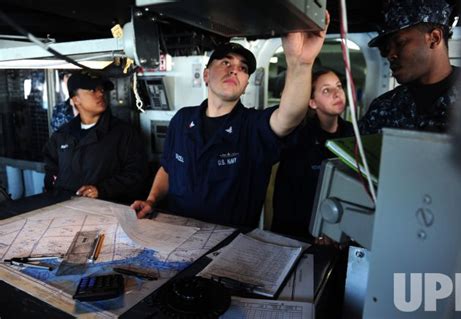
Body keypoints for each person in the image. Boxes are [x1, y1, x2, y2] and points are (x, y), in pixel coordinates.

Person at [132, 17, 330, 228]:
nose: (235, 69)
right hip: (177, 230)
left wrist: (300, 63)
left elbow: (290, 116)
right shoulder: (182, 119)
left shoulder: (253, 126)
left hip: (230, 243)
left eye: (243, 68)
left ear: (245, 86)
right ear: (206, 75)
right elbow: (168, 168)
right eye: (226, 62)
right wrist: (151, 200)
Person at [272, 68, 354, 239]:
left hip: (342, 227)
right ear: (312, 102)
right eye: (326, 90)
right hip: (303, 232)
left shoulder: (353, 134)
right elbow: (289, 200)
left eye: (338, 86)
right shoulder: (299, 139)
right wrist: (318, 232)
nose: (337, 93)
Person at [43, 71, 147, 203]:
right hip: (65, 210)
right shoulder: (61, 136)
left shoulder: (123, 133)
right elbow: (51, 172)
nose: (100, 94)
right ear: (76, 99)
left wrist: (102, 190)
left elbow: (136, 174)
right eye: (92, 90)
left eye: (101, 89)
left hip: (106, 211)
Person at [358, 0, 458, 134]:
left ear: (434, 38)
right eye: (387, 49)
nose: (390, 55)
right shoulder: (384, 108)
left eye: (400, 43)